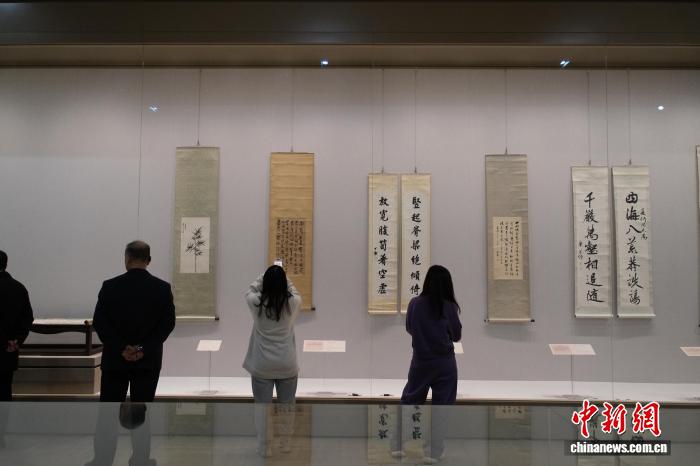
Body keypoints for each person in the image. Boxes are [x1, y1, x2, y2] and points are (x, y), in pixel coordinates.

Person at [93, 241, 175, 402]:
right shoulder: (162, 288)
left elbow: (100, 323)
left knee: (109, 412)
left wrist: (122, 348)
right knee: (142, 412)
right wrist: (143, 348)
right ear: (148, 260)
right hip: (148, 360)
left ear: (127, 258)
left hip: (115, 360)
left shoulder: (110, 286)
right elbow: (167, 324)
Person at [243, 264, 302, 456]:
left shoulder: (256, 303)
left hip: (262, 364)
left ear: (265, 282)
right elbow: (293, 290)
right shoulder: (293, 302)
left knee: (262, 409)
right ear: (284, 283)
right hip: (286, 363)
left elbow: (250, 290)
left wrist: (264, 275)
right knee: (287, 407)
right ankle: (285, 443)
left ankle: (264, 446)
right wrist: (283, 275)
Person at [401, 264, 462, 405]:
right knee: (443, 409)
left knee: (411, 405)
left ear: (427, 281)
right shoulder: (449, 306)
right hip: (444, 363)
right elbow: (456, 335)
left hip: (421, 361)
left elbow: (409, 328)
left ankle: (411, 421)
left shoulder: (414, 303)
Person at [0, 250, 34, 402]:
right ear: (6, 264)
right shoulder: (18, 288)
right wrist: (17, 340)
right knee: (4, 393)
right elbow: (27, 318)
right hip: (8, 350)